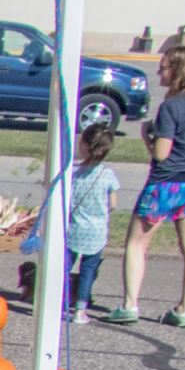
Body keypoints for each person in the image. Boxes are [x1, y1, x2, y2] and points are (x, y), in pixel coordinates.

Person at [105, 39, 185, 328]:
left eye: (163, 69)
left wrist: (148, 135)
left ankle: (130, 304)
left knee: (136, 243)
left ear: (178, 71)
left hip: (164, 185)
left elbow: (161, 153)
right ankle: (184, 309)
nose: (159, 75)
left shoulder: (171, 107)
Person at [63, 123, 119, 324]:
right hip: (96, 232)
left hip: (74, 229)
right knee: (88, 271)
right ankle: (80, 310)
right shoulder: (108, 176)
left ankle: (58, 301)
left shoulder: (74, 174)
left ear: (84, 145)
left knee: (64, 267)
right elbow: (112, 204)